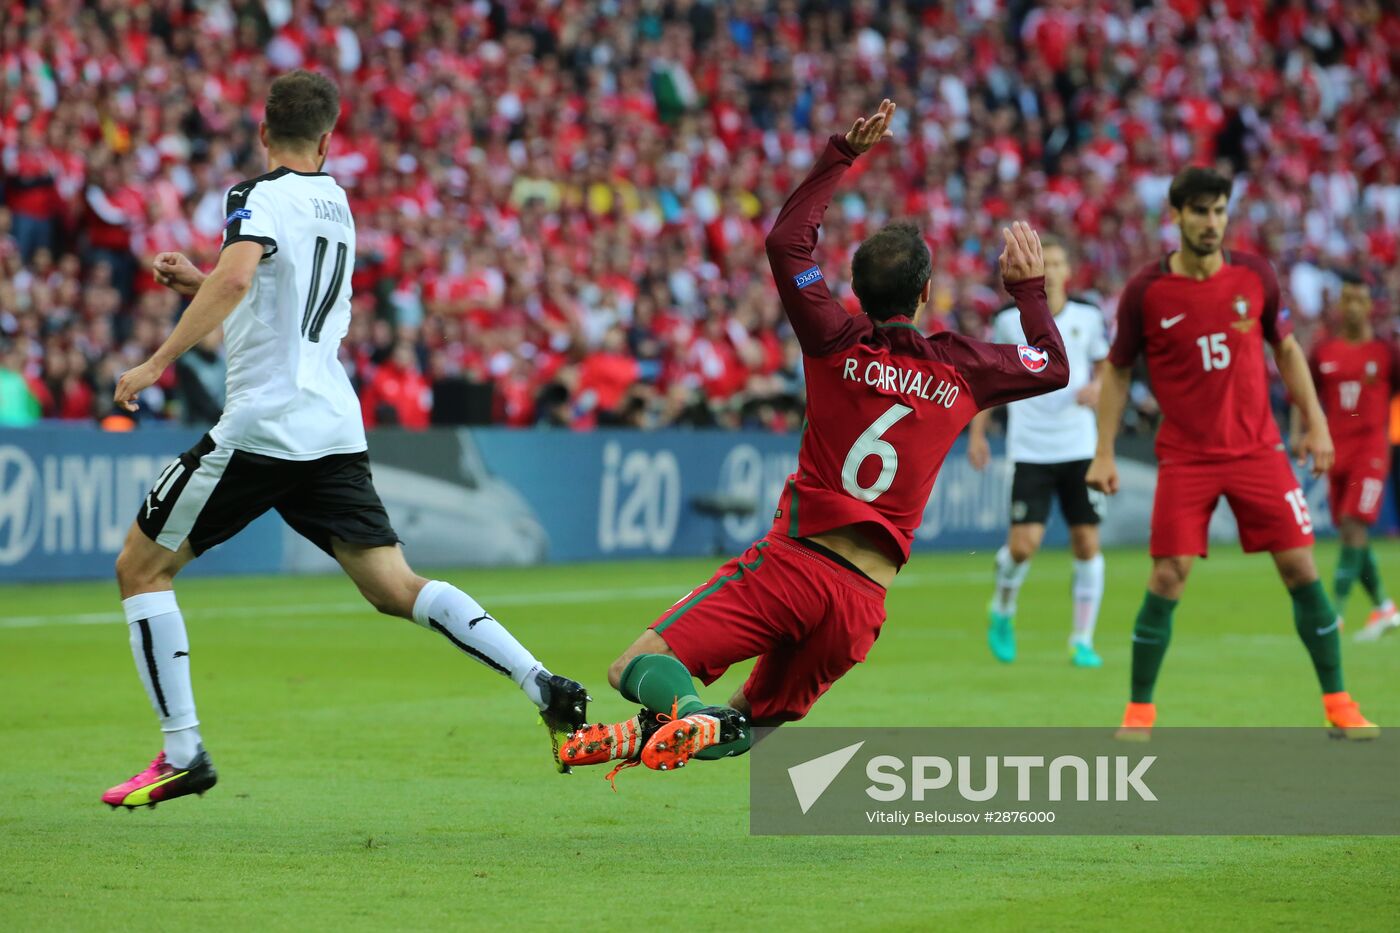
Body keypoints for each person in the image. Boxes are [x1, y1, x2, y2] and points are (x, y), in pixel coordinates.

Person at [101, 71, 588, 811]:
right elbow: (271, 300)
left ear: (264, 133)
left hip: (265, 427)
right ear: (328, 139)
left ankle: (182, 751)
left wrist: (157, 359)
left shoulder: (254, 197)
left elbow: (238, 282)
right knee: (395, 586)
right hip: (330, 425)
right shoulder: (337, 202)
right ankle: (541, 681)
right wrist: (201, 281)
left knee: (140, 568)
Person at [558, 100, 1070, 783]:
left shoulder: (832, 335)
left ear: (854, 291)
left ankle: (679, 707)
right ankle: (655, 732)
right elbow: (1053, 364)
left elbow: (786, 243)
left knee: (632, 665)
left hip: (796, 565)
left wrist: (841, 155)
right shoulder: (963, 367)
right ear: (925, 293)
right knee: (747, 724)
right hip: (861, 605)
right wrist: (1029, 290)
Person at [1086, 166, 1377, 740]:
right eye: (1200, 211)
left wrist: (1318, 425)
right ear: (1176, 216)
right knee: (1169, 576)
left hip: (1258, 451)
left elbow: (1288, 351)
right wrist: (1104, 452)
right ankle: (1139, 711)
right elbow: (1116, 372)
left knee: (1300, 567)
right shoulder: (1147, 291)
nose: (1212, 222)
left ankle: (1339, 702)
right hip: (1186, 458)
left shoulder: (1255, 275)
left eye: (1220, 211)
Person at [967, 236, 1109, 667]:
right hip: (1029, 447)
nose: (1056, 269)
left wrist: (1099, 388)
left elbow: (1105, 367)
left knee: (1086, 542)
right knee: (1024, 546)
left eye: (1061, 262)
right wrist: (977, 434)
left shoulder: (1088, 316)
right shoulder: (1011, 321)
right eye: (1048, 263)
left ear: (1069, 272)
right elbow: (987, 378)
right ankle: (1002, 610)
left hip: (1080, 445)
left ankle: (1082, 639)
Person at [1304, 272, 1400, 640]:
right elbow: (1306, 394)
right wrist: (1303, 433)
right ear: (1340, 305)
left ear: (1370, 306)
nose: (1355, 307)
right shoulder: (1323, 352)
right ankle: (1384, 606)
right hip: (1335, 449)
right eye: (1348, 299)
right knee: (1350, 529)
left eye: (1361, 299)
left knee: (1353, 522)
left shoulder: (1386, 353)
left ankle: (1335, 614)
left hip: (1371, 449)